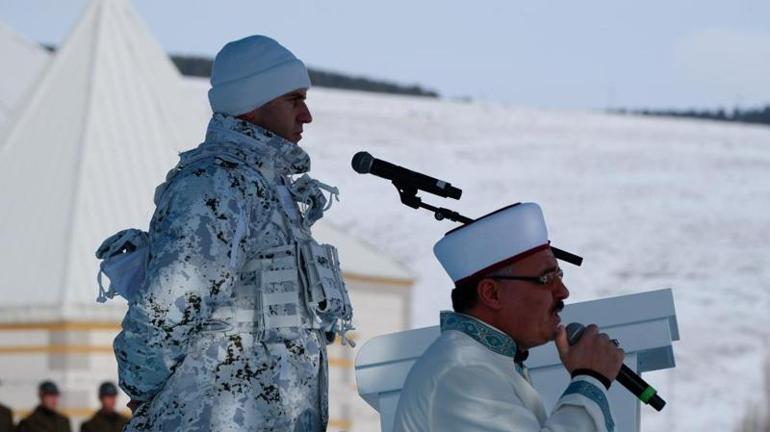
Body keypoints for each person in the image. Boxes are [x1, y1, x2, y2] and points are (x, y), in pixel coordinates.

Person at [113, 35, 353, 431]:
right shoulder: (216, 184)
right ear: (252, 106)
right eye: (294, 99)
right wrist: (141, 383)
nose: (306, 115)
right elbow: (169, 307)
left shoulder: (271, 189)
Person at [393, 203, 624, 432]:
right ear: (492, 294)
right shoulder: (463, 372)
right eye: (546, 279)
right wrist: (589, 379)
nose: (563, 292)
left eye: (559, 275)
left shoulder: (484, 361)